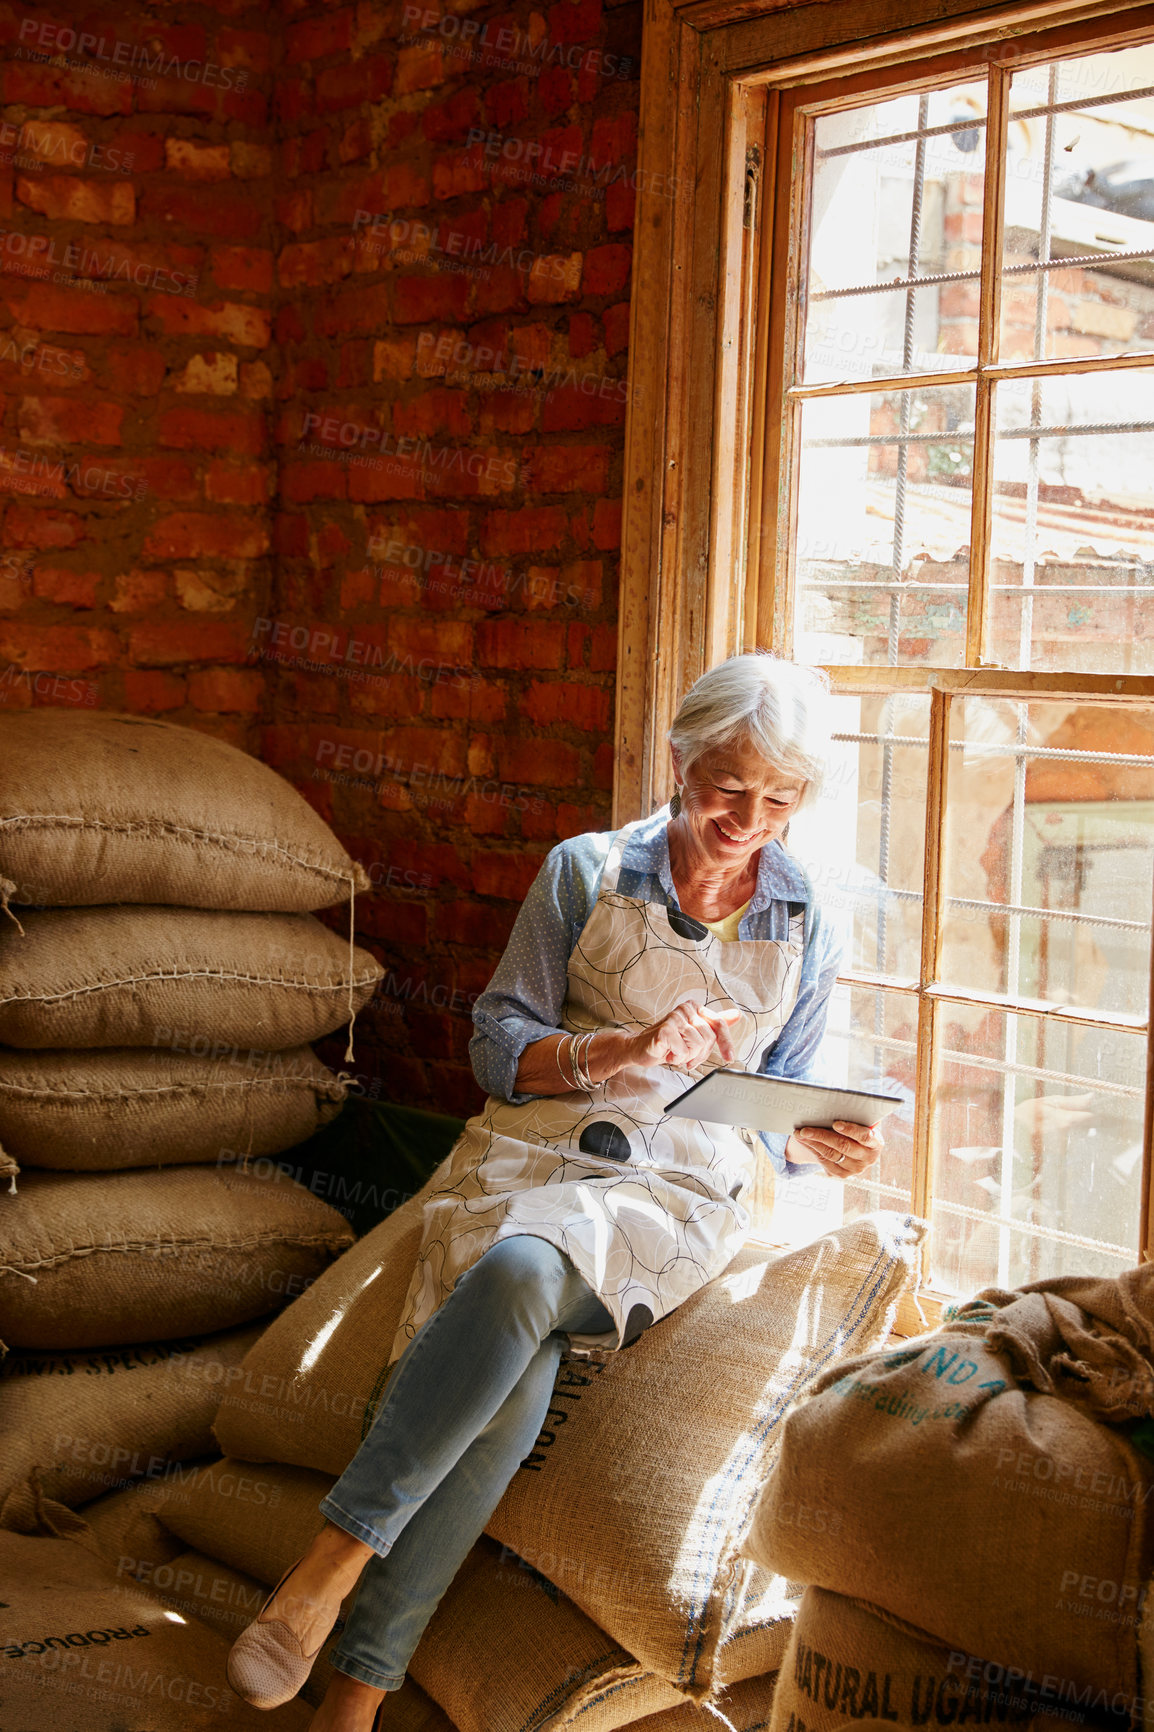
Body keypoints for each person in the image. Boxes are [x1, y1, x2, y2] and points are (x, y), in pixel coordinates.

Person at [227, 652, 883, 1730]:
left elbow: (779, 1108)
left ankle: (327, 1565)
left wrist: (816, 1142)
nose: (747, 819)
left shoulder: (806, 914)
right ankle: (350, 1700)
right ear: (677, 760)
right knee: (509, 1393)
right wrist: (621, 1047)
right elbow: (495, 1048)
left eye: (777, 799)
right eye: (726, 788)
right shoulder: (585, 869)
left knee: (530, 1266)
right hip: (542, 1148)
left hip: (680, 1194)